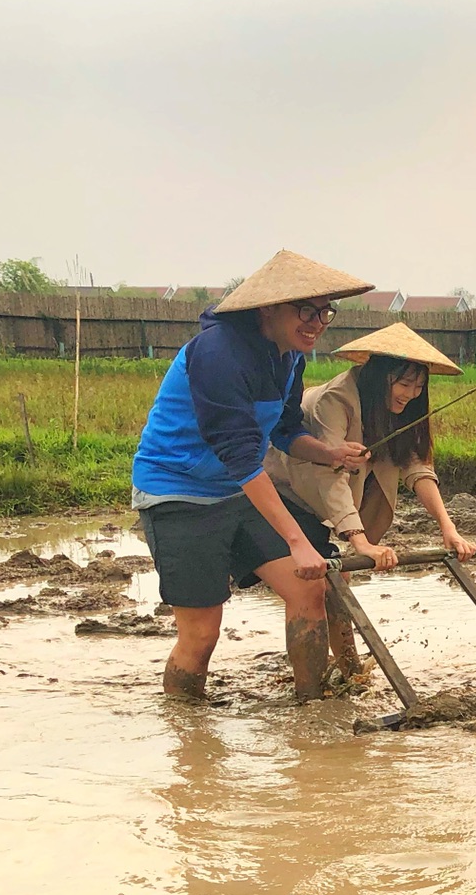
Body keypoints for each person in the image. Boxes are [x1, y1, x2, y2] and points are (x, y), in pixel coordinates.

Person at [131, 250, 375, 702]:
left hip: (235, 490)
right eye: (306, 310)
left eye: (325, 312)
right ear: (269, 307)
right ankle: (188, 733)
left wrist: (329, 453)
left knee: (310, 590)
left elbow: (283, 430)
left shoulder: (289, 358)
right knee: (201, 635)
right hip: (177, 493)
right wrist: (298, 541)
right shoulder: (218, 354)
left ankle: (311, 708)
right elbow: (242, 455)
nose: (317, 322)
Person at [264, 323, 476, 675]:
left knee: (336, 583)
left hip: (323, 496)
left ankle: (350, 671)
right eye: (404, 383)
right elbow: (328, 474)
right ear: (380, 376)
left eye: (419, 387)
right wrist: (360, 542)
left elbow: (416, 466)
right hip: (285, 492)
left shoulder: (401, 410)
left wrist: (449, 528)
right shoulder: (335, 400)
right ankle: (313, 690)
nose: (410, 394)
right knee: (316, 587)